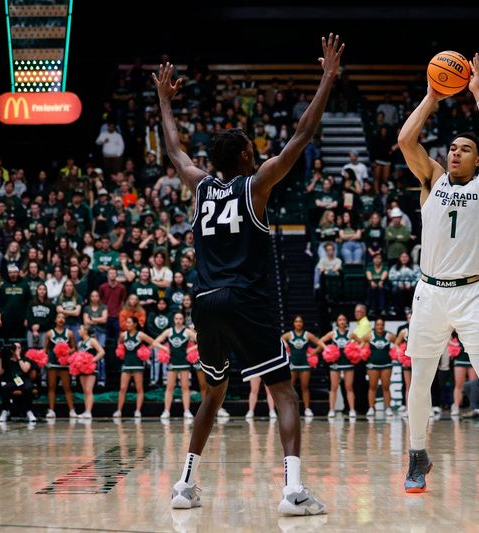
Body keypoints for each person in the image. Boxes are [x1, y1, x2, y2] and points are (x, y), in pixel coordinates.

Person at [156, 34, 342, 515]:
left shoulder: (198, 185)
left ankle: (184, 485)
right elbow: (302, 134)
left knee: (213, 393)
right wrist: (326, 78)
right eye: (251, 150)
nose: (257, 152)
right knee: (284, 392)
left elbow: (175, 150)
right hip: (245, 298)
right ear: (242, 157)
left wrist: (163, 100)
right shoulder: (256, 185)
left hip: (205, 300)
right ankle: (293, 491)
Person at [397, 53, 479, 496]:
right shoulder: (431, 180)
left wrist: (477, 94)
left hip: (471, 294)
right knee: (419, 379)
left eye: (464, 149)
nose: (455, 153)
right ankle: (418, 454)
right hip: (429, 293)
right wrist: (433, 95)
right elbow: (405, 140)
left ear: (477, 162)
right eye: (452, 148)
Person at [112, 316, 167, 418]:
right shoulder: (123, 335)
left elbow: (153, 342)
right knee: (123, 388)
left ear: (135, 324)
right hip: (127, 364)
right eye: (126, 322)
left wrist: (146, 351)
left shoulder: (140, 335)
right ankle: (119, 410)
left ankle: (138, 411)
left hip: (138, 365)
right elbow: (119, 344)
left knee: (139, 388)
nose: (127, 324)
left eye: (129, 322)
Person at [154, 312, 197, 420]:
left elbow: (201, 341)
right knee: (169, 388)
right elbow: (155, 342)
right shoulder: (169, 331)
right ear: (173, 319)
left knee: (185, 388)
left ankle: (187, 411)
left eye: (180, 318)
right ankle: (166, 411)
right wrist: (165, 348)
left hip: (184, 362)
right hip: (172, 362)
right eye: (176, 318)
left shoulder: (187, 332)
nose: (178, 320)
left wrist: (191, 349)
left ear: (183, 320)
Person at [282, 315, 325, 417]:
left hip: (304, 365)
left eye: (300, 321)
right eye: (296, 321)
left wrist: (314, 352)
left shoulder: (307, 335)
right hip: (292, 365)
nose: (298, 323)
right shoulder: (289, 335)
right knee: (290, 388)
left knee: (304, 387)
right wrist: (286, 349)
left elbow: (320, 343)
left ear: (303, 323)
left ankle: (307, 409)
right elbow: (279, 341)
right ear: (294, 323)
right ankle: (289, 409)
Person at [319, 314, 357, 419]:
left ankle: (352, 410)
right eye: (340, 319)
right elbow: (320, 341)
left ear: (346, 322)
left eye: (344, 319)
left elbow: (361, 342)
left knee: (349, 387)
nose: (342, 321)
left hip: (348, 362)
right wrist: (327, 349)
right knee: (334, 387)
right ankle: (331, 410)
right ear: (337, 322)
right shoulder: (333, 333)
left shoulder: (350, 334)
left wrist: (355, 350)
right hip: (335, 363)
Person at [44, 312, 77, 419]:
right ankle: (51, 410)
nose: (61, 319)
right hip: (53, 364)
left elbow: (74, 348)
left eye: (63, 318)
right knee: (52, 387)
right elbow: (46, 349)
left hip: (64, 365)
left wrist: (66, 351)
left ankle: (72, 410)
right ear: (55, 320)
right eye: (59, 317)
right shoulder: (49, 333)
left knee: (67, 388)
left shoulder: (69, 333)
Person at [0, 342, 37, 423]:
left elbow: (25, 370)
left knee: (28, 388)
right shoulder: (7, 360)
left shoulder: (25, 359)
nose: (16, 349)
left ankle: (28, 411)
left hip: (24, 380)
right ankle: (5, 410)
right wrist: (1, 357)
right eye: (15, 348)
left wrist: (18, 357)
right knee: (5, 388)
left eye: (19, 348)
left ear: (21, 349)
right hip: (12, 380)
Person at [362, 317, 395, 417]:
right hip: (373, 365)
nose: (380, 326)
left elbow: (398, 342)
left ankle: (388, 408)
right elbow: (360, 344)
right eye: (378, 324)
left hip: (386, 365)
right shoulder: (369, 336)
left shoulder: (389, 336)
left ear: (384, 326)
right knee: (372, 387)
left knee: (386, 387)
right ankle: (371, 408)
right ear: (375, 326)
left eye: (382, 325)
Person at [74, 324, 105, 419]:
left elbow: (102, 352)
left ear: (85, 331)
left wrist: (92, 360)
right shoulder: (79, 343)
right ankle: (86, 410)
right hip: (82, 369)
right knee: (85, 391)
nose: (79, 330)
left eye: (80, 329)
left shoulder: (92, 341)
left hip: (91, 368)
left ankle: (89, 411)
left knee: (88, 390)